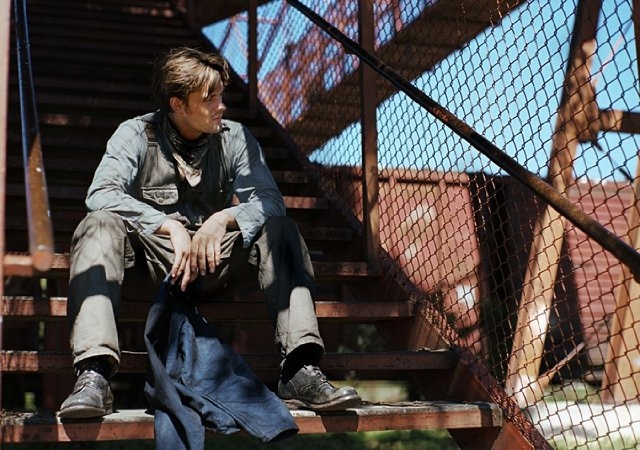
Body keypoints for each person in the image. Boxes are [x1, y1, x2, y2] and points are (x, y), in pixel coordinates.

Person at [59, 47, 361, 419]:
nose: (222, 106)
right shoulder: (135, 133)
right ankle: (94, 374)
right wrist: (167, 225)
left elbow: (269, 200)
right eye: (209, 98)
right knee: (97, 224)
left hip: (214, 264)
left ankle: (300, 370)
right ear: (178, 104)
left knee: (280, 229)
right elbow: (101, 194)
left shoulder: (236, 137)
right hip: (156, 266)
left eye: (221, 95)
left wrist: (222, 220)